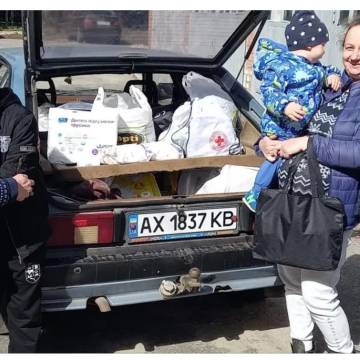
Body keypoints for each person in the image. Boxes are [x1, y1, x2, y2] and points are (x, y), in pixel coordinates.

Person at [257, 18, 360, 353]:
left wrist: (306, 144)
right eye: (349, 47)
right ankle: (301, 346)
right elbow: (286, 118)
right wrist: (265, 141)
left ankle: (341, 350)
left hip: (331, 206)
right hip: (293, 196)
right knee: (292, 281)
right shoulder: (331, 83)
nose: (354, 56)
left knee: (318, 292)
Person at [243, 10, 341, 212]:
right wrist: (285, 106)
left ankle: (278, 195)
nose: (324, 49)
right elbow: (269, 91)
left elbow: (327, 71)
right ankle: (256, 193)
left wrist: (332, 76)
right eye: (323, 44)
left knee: (284, 161)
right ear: (309, 45)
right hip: (280, 126)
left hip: (299, 129)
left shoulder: (315, 67)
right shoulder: (282, 66)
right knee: (274, 158)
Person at [0, 87, 50, 353]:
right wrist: (7, 187)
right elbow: (9, 184)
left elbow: (19, 175)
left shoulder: (19, 118)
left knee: (24, 317)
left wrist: (8, 185)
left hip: (22, 240)